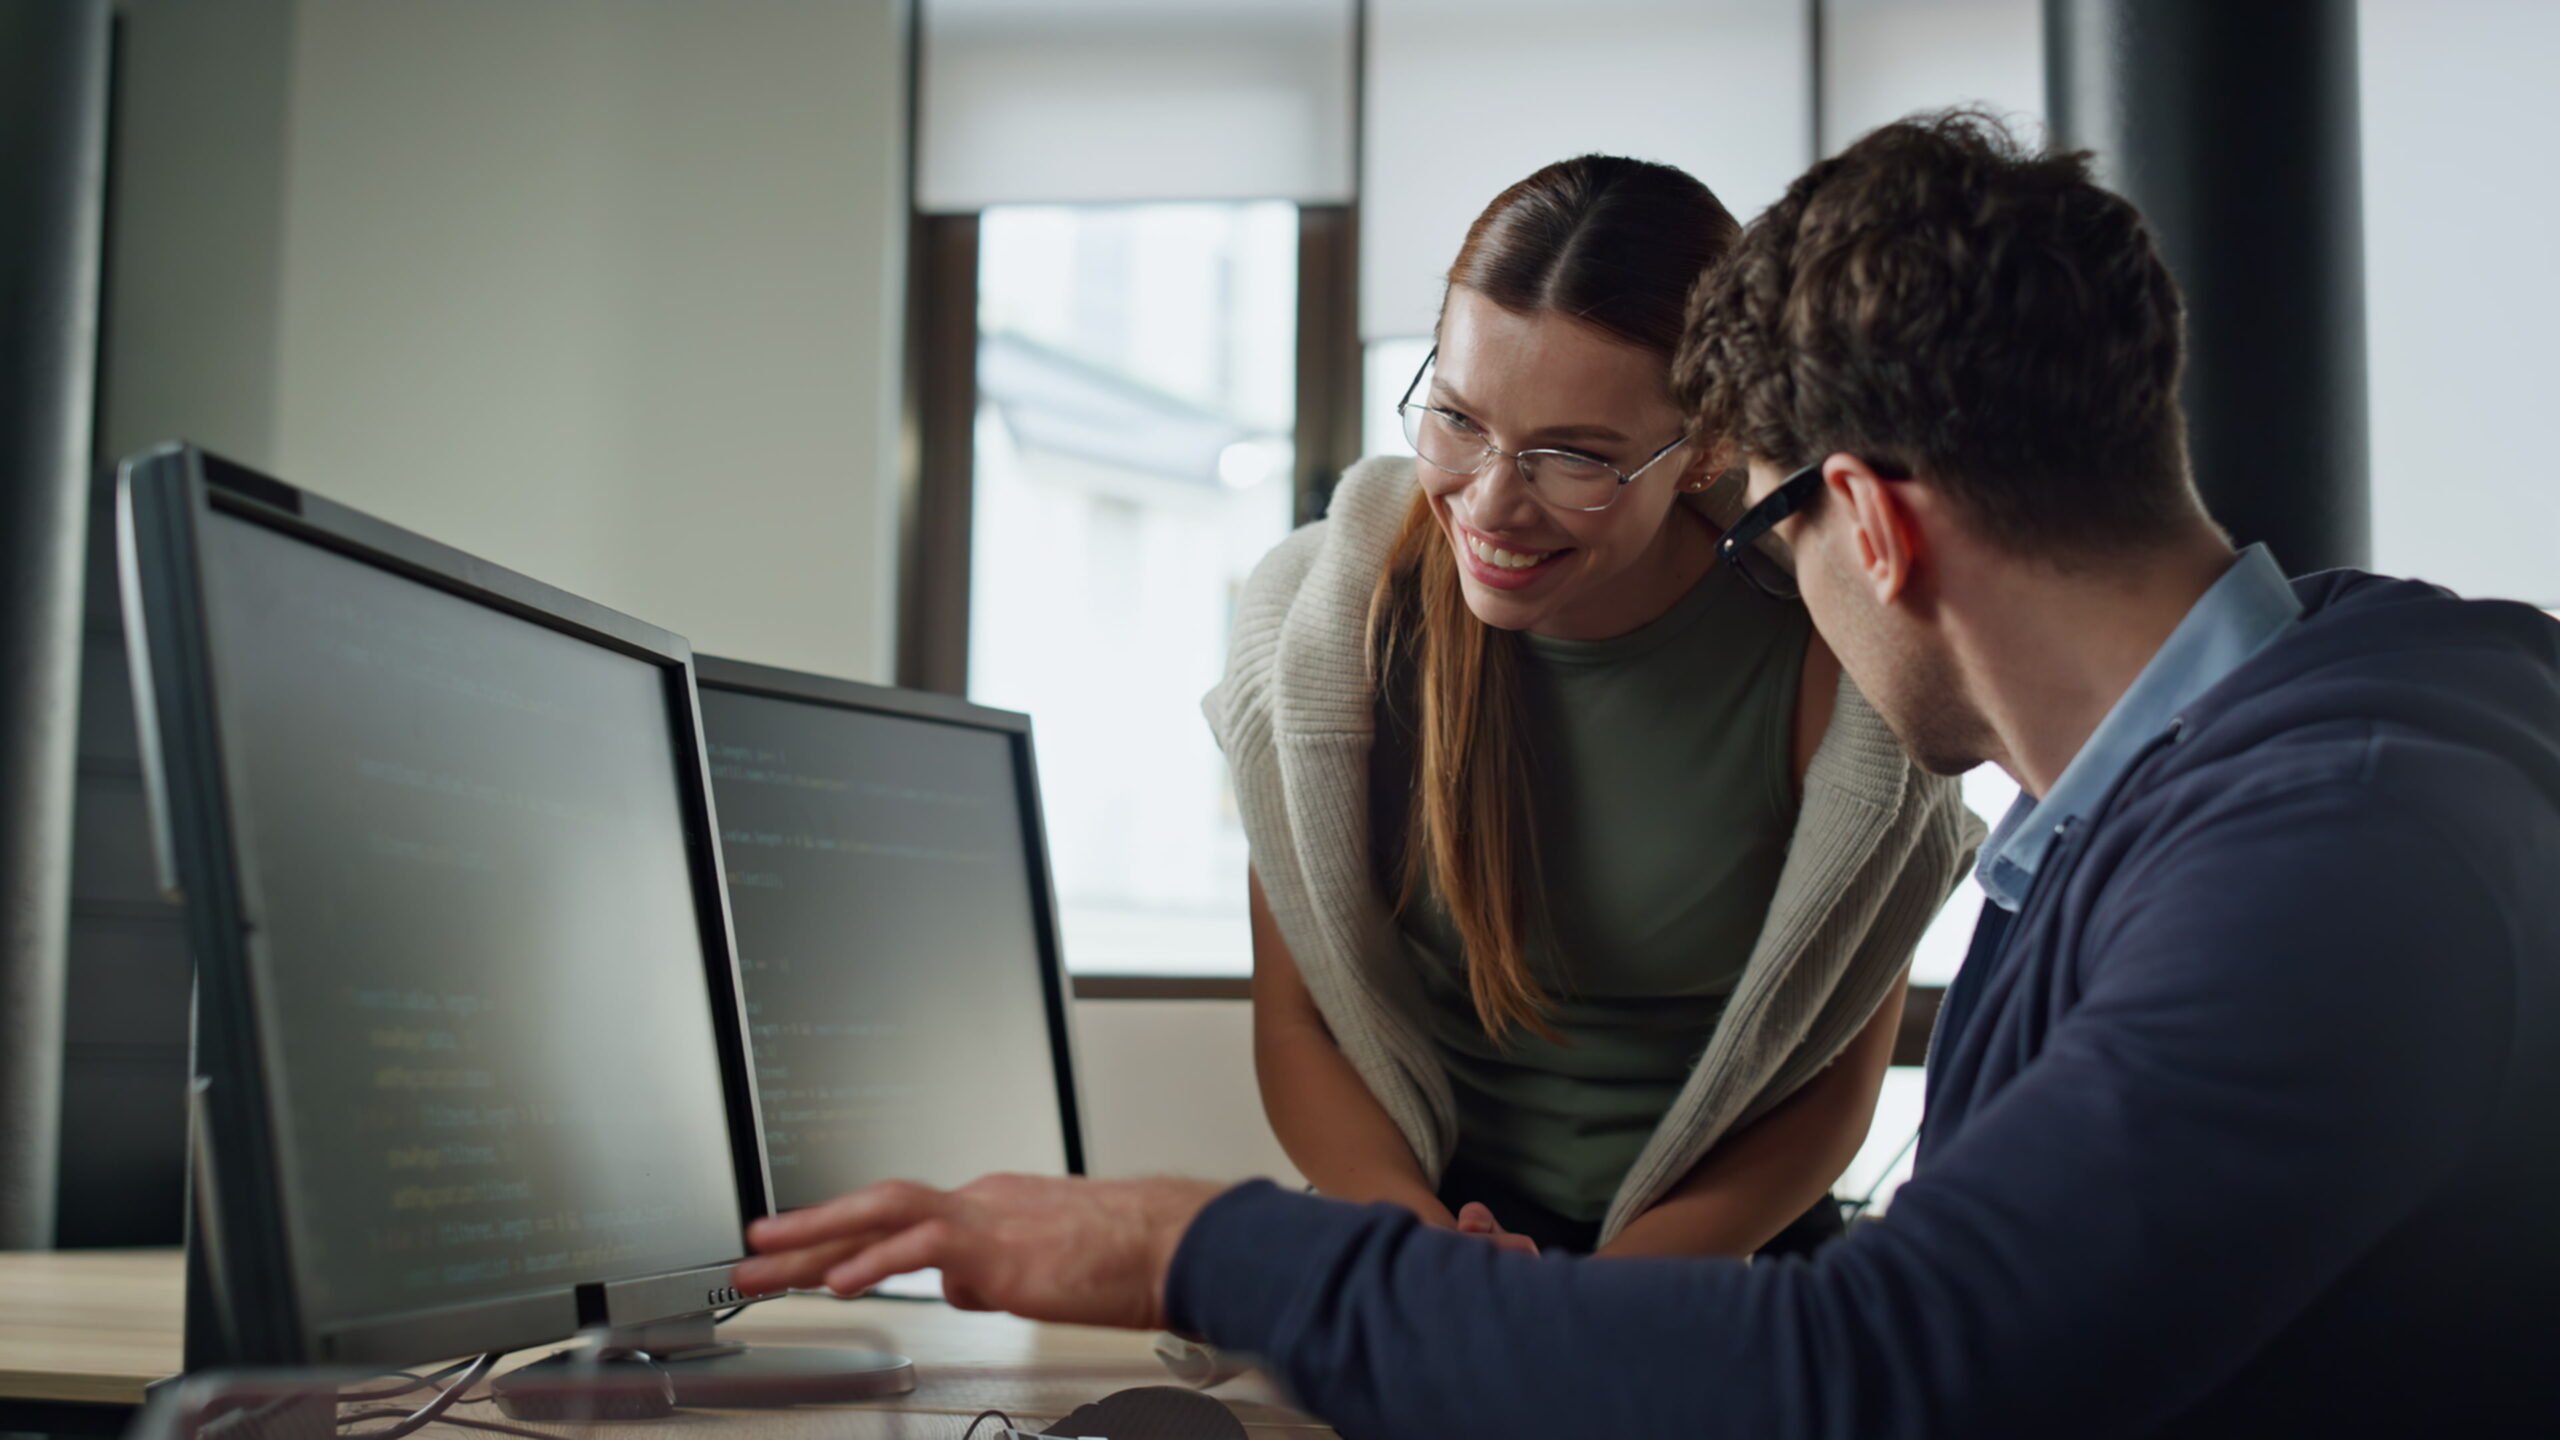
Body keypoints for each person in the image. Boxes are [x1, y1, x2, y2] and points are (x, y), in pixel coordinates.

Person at [736, 114, 2560, 1437]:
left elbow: (1880, 1371)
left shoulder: (2338, 856)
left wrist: (1194, 1244)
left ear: (1864, 522)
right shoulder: (2175, 820)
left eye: (1770, 528)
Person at [1213, 153, 1977, 1264]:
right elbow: (1298, 1027)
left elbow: (1829, 1090)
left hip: (1724, 1267)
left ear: (1708, 443)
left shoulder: (1839, 664)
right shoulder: (1323, 633)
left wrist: (1597, 1311)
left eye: (1575, 455)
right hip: (1420, 1242)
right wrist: (1426, 1263)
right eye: (1459, 420)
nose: (1492, 504)